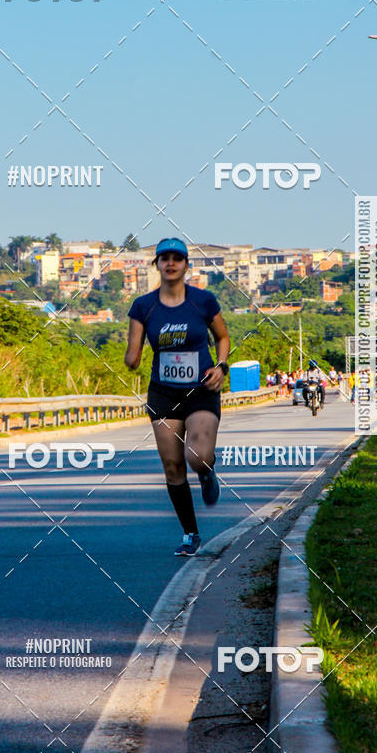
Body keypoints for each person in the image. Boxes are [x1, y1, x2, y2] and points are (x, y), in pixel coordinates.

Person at [124, 238, 230, 557]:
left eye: (177, 259)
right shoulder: (143, 306)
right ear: (156, 264)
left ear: (186, 265)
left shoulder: (203, 301)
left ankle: (207, 472)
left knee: (196, 457)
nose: (171, 263)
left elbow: (222, 337)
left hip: (201, 389)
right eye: (164, 258)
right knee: (172, 466)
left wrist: (222, 366)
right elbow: (133, 352)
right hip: (163, 392)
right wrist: (132, 358)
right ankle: (190, 533)